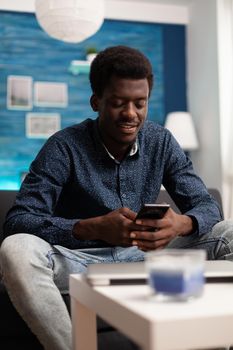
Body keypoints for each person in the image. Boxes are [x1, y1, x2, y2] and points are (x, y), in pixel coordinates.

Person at [0, 45, 233, 350]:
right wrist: (89, 228)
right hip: (80, 261)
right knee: (16, 248)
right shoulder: (63, 147)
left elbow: (207, 207)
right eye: (118, 103)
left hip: (150, 257)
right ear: (96, 102)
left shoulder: (161, 141)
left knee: (229, 232)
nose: (130, 114)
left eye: (140, 103)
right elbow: (19, 220)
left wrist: (181, 224)